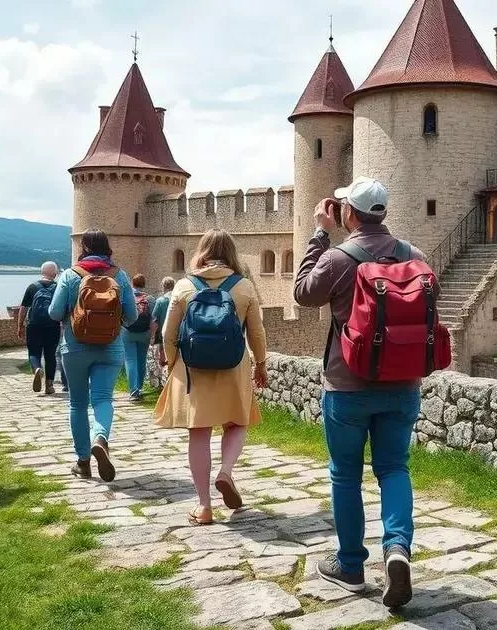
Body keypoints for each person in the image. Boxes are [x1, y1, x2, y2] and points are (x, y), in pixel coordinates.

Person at [293, 176, 428, 609]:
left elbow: (302, 293)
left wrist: (319, 232)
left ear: (348, 213)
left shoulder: (338, 258)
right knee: (393, 468)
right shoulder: (415, 257)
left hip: (347, 385)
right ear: (382, 213)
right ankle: (397, 549)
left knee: (345, 474)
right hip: (402, 384)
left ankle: (350, 565)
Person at [154, 229, 267, 525]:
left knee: (199, 432)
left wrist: (173, 362)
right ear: (232, 254)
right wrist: (262, 364)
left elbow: (168, 333)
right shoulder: (243, 287)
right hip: (233, 367)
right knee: (237, 422)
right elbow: (256, 332)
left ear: (201, 252)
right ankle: (226, 471)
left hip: (193, 369)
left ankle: (204, 506)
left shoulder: (183, 286)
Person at [48, 229, 137, 481]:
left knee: (77, 403)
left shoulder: (70, 275)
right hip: (110, 346)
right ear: (107, 247)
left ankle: (83, 461)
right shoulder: (119, 275)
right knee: (102, 399)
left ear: (83, 248)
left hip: (74, 347)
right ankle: (100, 437)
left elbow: (54, 313)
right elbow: (132, 317)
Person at [16, 261, 61, 395]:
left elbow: (23, 308)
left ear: (41, 272)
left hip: (34, 325)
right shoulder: (58, 287)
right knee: (50, 355)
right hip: (52, 325)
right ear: (55, 273)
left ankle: (37, 369)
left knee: (34, 352)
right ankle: (49, 385)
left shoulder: (32, 287)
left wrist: (20, 326)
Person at [122, 274, 154, 402]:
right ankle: (140, 388)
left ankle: (133, 391)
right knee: (142, 360)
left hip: (128, 332)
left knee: (130, 360)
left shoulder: (127, 297)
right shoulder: (150, 299)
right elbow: (153, 318)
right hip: (144, 333)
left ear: (132, 283)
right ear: (144, 284)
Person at [151, 276, 176, 369]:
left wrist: (152, 336)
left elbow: (154, 320)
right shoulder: (177, 299)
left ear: (163, 286)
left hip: (163, 333)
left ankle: (163, 379)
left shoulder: (160, 301)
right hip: (177, 332)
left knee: (162, 358)